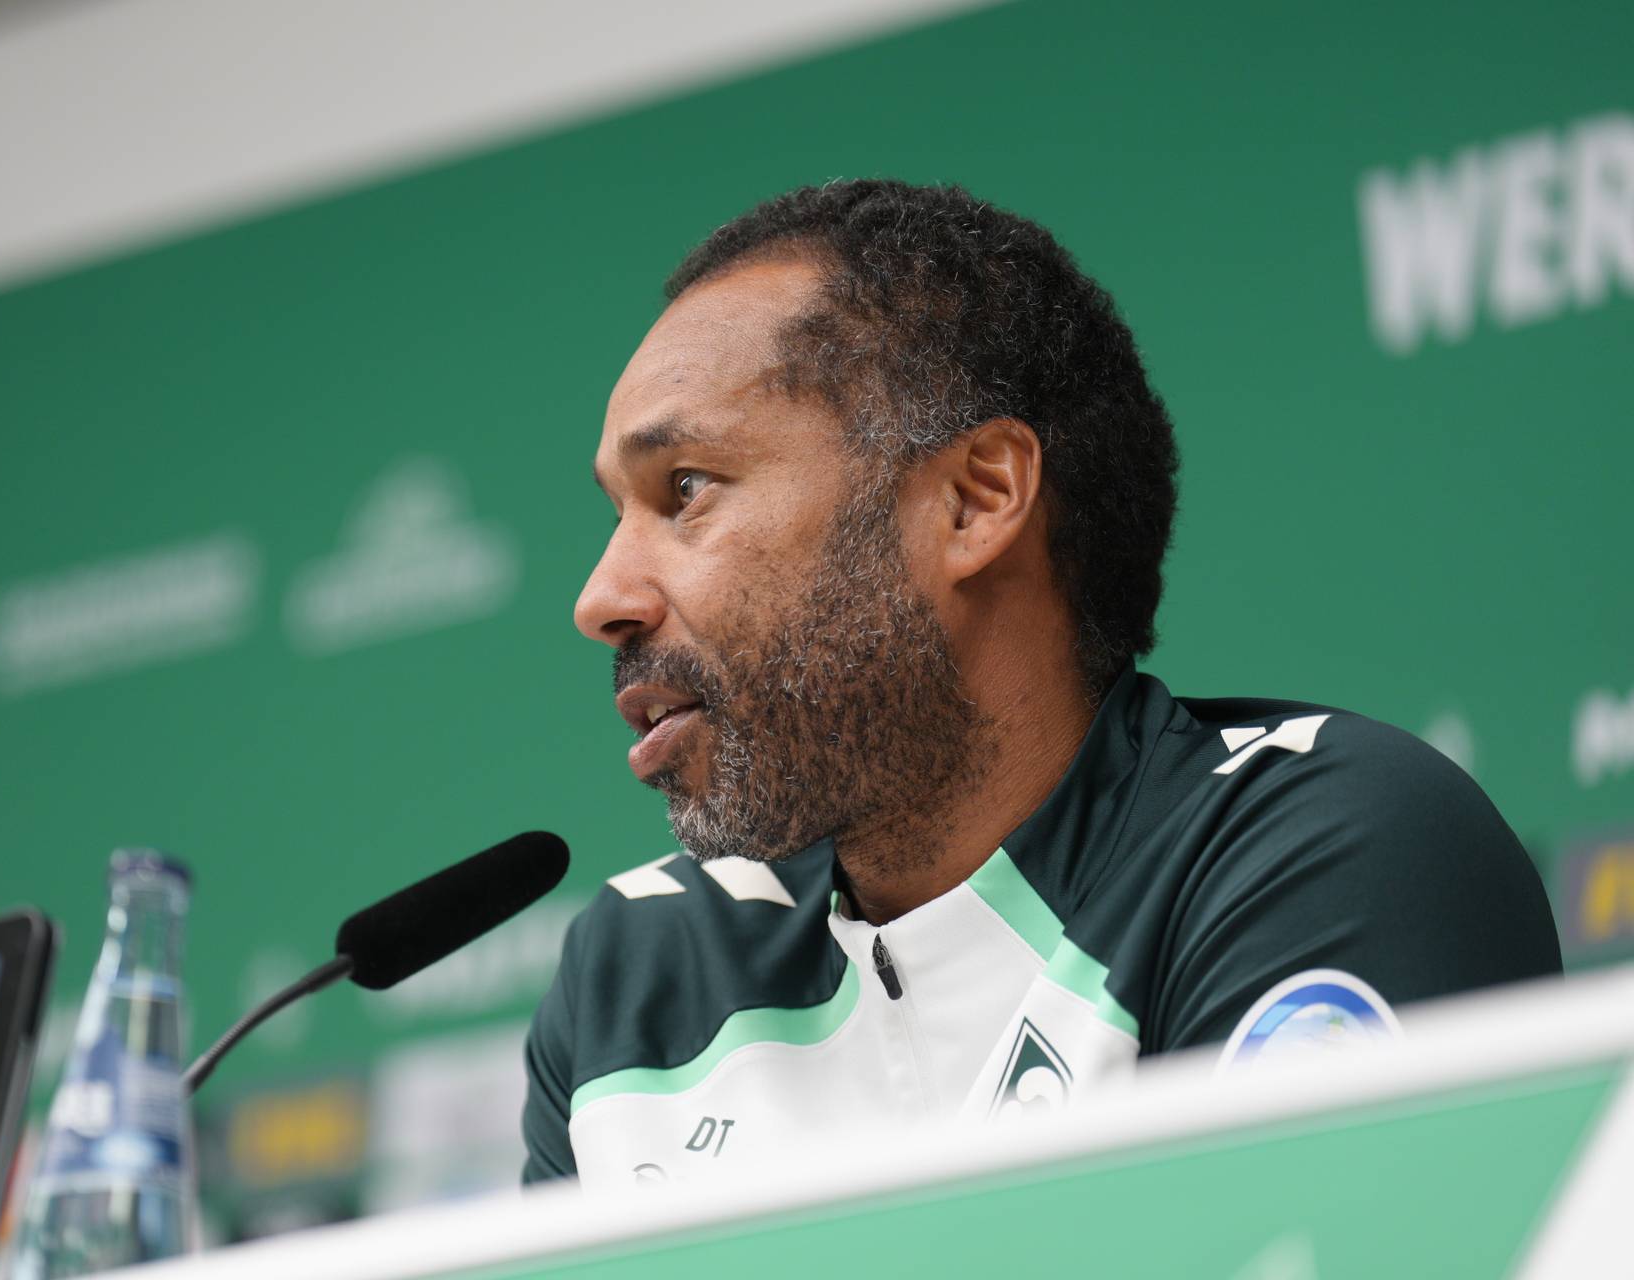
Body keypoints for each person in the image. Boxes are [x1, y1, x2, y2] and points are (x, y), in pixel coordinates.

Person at [521, 180, 1561, 1190]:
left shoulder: (1320, 847)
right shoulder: (637, 972)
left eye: (686, 489)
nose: (602, 596)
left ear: (976, 500)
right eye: (616, 512)